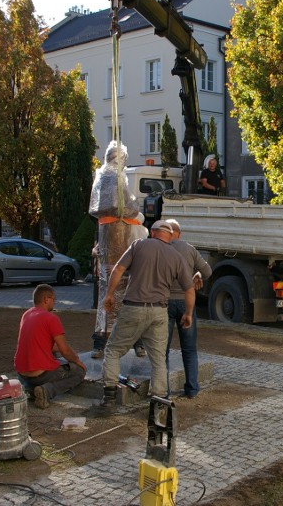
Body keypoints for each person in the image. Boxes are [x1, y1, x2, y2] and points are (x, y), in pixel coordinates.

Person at [96, 220, 195, 412]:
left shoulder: (139, 245)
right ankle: (158, 404)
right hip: (159, 312)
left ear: (153, 232)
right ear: (170, 235)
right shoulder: (176, 256)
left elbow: (118, 269)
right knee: (158, 359)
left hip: (133, 307)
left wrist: (109, 294)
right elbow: (189, 289)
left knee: (114, 350)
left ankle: (108, 398)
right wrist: (188, 313)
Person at [88, 141, 148, 359]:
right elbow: (123, 206)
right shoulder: (115, 177)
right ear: (119, 158)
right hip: (117, 236)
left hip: (107, 238)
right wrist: (135, 211)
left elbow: (97, 207)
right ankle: (132, 343)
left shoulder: (101, 176)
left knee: (108, 290)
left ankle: (101, 342)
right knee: (122, 292)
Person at [14, 284, 87, 409]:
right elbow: (64, 350)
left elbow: (45, 345)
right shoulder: (51, 318)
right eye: (54, 299)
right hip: (40, 375)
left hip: (22, 372)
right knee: (79, 373)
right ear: (46, 299)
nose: (55, 302)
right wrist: (77, 360)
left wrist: (66, 352)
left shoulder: (26, 315)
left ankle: (29, 390)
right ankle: (46, 391)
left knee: (55, 355)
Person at [165, 219, 212, 398]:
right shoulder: (190, 249)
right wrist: (197, 275)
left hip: (166, 302)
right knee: (189, 349)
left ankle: (164, 391)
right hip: (187, 302)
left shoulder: (161, 247)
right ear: (180, 233)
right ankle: (192, 389)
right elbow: (207, 272)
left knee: (163, 350)